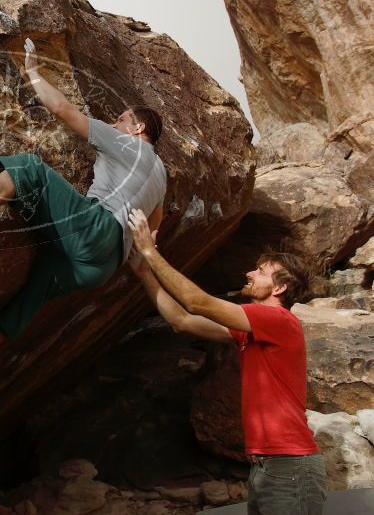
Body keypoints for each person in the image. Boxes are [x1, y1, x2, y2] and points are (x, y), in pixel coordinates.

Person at [0, 38, 167, 368]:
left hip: (95, 229)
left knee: (30, 168)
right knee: (44, 276)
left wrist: (32, 71)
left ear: (138, 127)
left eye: (121, 119)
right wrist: (138, 257)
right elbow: (153, 225)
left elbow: (62, 110)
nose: (116, 124)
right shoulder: (161, 174)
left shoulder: (126, 143)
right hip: (104, 266)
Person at [126, 208, 327, 515]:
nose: (249, 273)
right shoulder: (256, 331)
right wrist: (144, 272)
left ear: (279, 288)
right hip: (266, 466)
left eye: (260, 272)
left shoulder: (278, 319)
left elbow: (197, 302)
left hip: (290, 466)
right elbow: (182, 320)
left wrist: (150, 252)